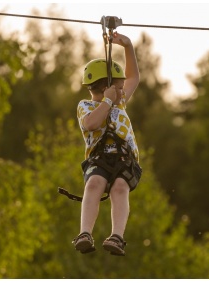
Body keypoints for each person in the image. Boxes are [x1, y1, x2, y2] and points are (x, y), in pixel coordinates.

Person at [73, 32, 142, 256]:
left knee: (120, 189)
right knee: (93, 184)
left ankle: (117, 236)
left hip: (124, 158)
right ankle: (84, 233)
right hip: (99, 158)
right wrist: (108, 101)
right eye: (119, 87)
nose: (124, 90)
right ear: (106, 88)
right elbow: (91, 124)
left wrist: (128, 46)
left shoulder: (119, 100)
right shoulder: (86, 106)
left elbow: (134, 78)